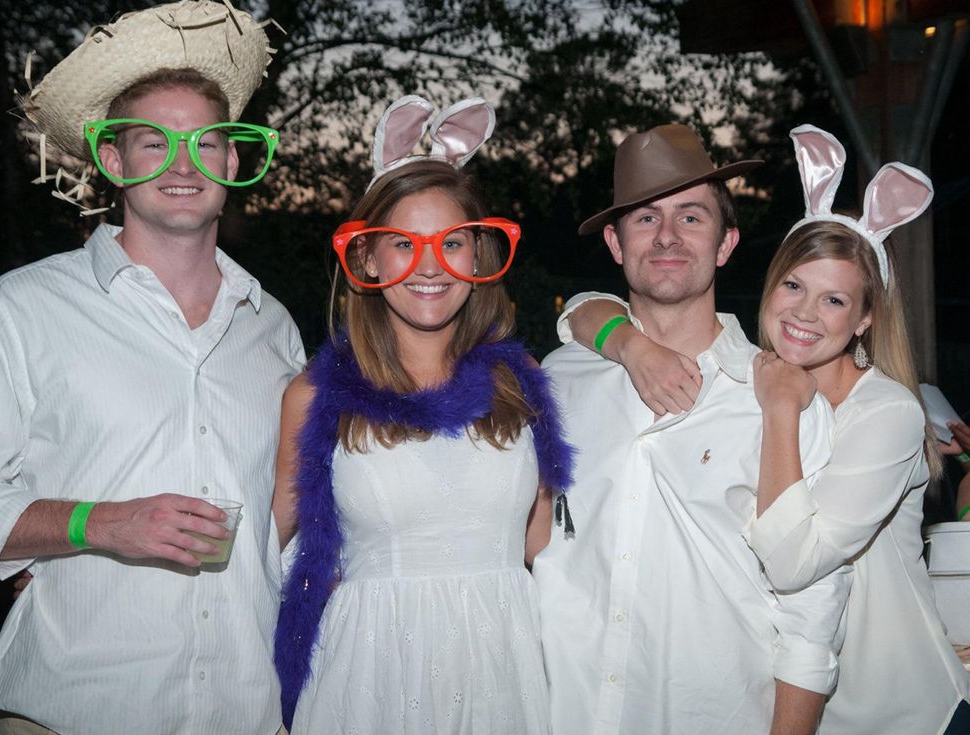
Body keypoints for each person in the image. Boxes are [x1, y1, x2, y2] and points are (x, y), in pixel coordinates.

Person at [561, 125, 970, 734]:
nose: (806, 312)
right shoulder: (750, 373)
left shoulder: (878, 411)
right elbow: (579, 312)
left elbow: (792, 567)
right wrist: (623, 340)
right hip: (812, 708)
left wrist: (780, 411)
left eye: (835, 301)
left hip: (893, 706)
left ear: (864, 320)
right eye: (795, 286)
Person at [0, 4, 302, 734]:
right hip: (74, 714)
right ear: (114, 160)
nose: (184, 163)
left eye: (205, 142)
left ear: (233, 160)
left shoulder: (275, 327)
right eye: (153, 142)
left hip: (245, 714)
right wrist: (101, 523)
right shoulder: (21, 308)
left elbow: (284, 523)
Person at [532, 123, 850, 735]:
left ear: (726, 243)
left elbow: (812, 619)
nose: (668, 237)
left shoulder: (785, 401)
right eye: (645, 219)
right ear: (614, 242)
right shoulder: (561, 377)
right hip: (560, 709)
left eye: (691, 218)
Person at [271, 95, 573, 734]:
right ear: (367, 260)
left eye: (452, 242)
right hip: (371, 679)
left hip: (505, 673)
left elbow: (546, 550)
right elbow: (269, 559)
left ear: (478, 257)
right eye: (403, 243)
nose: (430, 265)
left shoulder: (523, 387)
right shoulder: (312, 397)